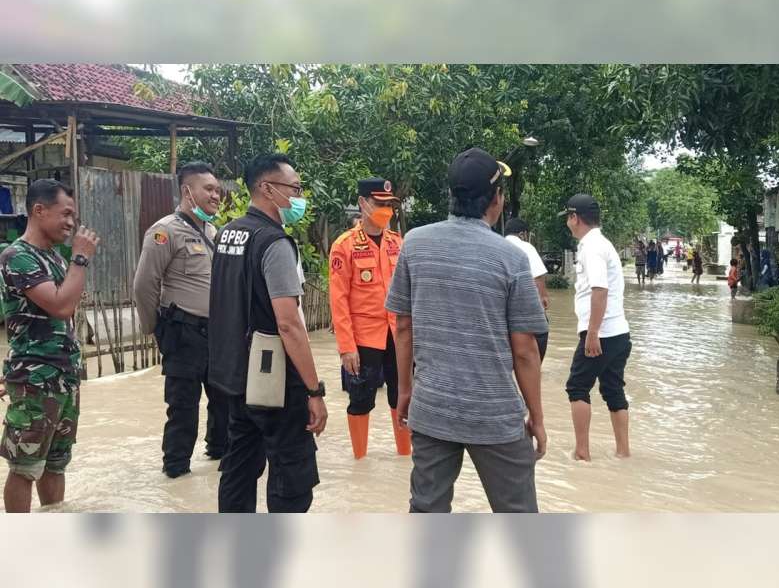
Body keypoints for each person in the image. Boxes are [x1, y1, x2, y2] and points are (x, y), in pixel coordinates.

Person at [386, 147, 548, 513]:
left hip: (432, 407)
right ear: (497, 200)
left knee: (427, 511)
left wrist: (405, 391)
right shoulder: (511, 257)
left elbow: (403, 328)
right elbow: (525, 350)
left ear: (451, 196)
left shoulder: (415, 243)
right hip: (495, 415)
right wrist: (536, 417)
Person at [208, 154, 327, 513]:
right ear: (267, 188)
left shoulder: (228, 233)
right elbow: (289, 323)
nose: (299, 196)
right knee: (292, 474)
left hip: (233, 377)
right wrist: (313, 390)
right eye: (295, 188)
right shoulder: (273, 242)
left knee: (239, 467)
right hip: (273, 379)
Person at [0, 179, 99, 512]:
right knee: (25, 467)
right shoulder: (17, 256)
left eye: (74, 215)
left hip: (64, 378)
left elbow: (66, 313)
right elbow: (60, 306)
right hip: (35, 381)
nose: (72, 223)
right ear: (39, 210)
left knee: (56, 462)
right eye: (65, 213)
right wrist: (81, 259)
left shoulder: (56, 258)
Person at [133, 161, 229, 479]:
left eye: (218, 189)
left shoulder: (214, 233)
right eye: (209, 189)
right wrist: (155, 329)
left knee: (223, 401)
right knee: (183, 408)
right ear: (187, 191)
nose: (217, 195)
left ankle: (218, 456)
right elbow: (145, 284)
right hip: (183, 332)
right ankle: (176, 471)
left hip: (215, 334)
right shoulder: (165, 232)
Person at [329, 177, 411, 459]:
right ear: (363, 204)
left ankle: (404, 455)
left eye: (390, 205)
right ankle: (360, 460)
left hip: (397, 333)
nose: (386, 210)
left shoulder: (398, 243)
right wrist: (346, 347)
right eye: (380, 204)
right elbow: (338, 300)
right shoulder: (345, 246)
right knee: (361, 398)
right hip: (364, 337)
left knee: (402, 394)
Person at [559, 193, 631, 461]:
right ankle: (623, 452)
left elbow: (599, 290)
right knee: (613, 389)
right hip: (619, 333)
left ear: (575, 218)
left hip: (602, 334)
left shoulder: (591, 246)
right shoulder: (604, 244)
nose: (568, 223)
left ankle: (582, 453)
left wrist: (592, 333)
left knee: (577, 387)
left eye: (568, 217)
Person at [504, 217, 550, 359]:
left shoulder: (497, 246)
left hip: (502, 312)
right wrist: (543, 298)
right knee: (540, 334)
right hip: (526, 312)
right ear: (523, 234)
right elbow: (538, 276)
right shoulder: (527, 247)